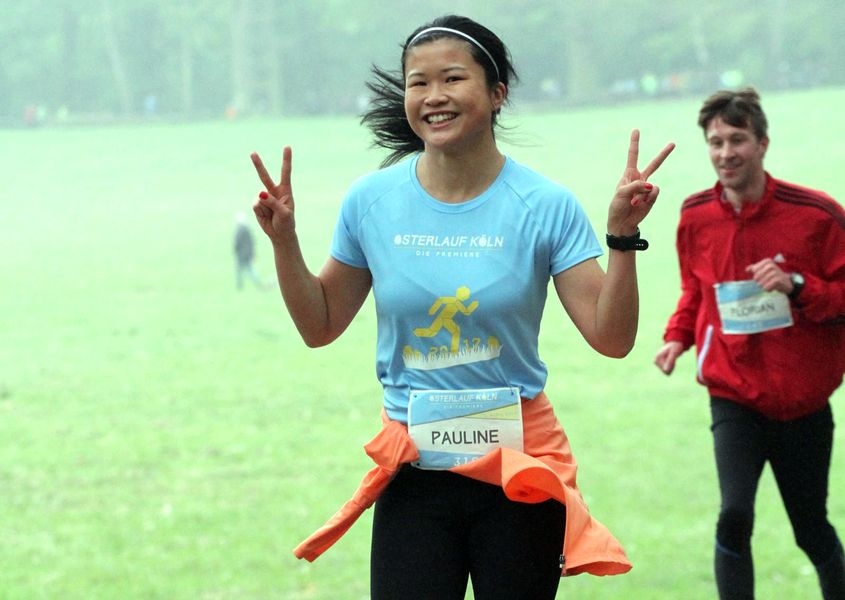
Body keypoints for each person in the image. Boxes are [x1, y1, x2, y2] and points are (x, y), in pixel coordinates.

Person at [252, 15, 673, 599]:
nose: (433, 96)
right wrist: (284, 242)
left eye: (452, 79)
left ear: (497, 93)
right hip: (414, 473)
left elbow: (612, 337)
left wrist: (623, 238)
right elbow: (319, 325)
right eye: (418, 83)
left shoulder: (544, 204)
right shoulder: (371, 201)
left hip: (518, 473)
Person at [654, 87, 845, 600]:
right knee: (734, 515)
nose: (725, 153)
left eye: (737, 140)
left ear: (762, 143)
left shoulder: (817, 215)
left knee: (811, 528)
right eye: (715, 142)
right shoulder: (696, 215)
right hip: (733, 394)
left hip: (803, 402)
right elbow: (695, 290)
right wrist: (677, 338)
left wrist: (798, 285)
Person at [233, 211, 266, 290]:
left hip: (242, 255)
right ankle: (257, 283)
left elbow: (237, 243)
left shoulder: (240, 230)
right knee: (249, 270)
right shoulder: (246, 230)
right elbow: (251, 242)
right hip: (247, 254)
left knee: (241, 270)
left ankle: (240, 285)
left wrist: (236, 250)